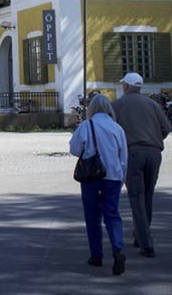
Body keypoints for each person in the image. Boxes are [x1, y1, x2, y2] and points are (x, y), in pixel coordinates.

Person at [112, 72, 172, 258]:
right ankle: (140, 235)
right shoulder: (152, 104)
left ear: (126, 86)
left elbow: (112, 130)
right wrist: (153, 139)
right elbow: (166, 128)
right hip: (154, 153)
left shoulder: (118, 105)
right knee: (147, 196)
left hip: (133, 153)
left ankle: (146, 244)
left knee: (136, 196)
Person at [69, 94, 128, 275]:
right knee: (112, 214)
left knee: (92, 216)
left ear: (92, 109)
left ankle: (96, 255)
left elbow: (74, 149)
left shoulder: (87, 126)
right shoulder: (117, 128)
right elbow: (123, 157)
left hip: (91, 177)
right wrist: (121, 178)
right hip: (113, 177)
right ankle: (118, 249)